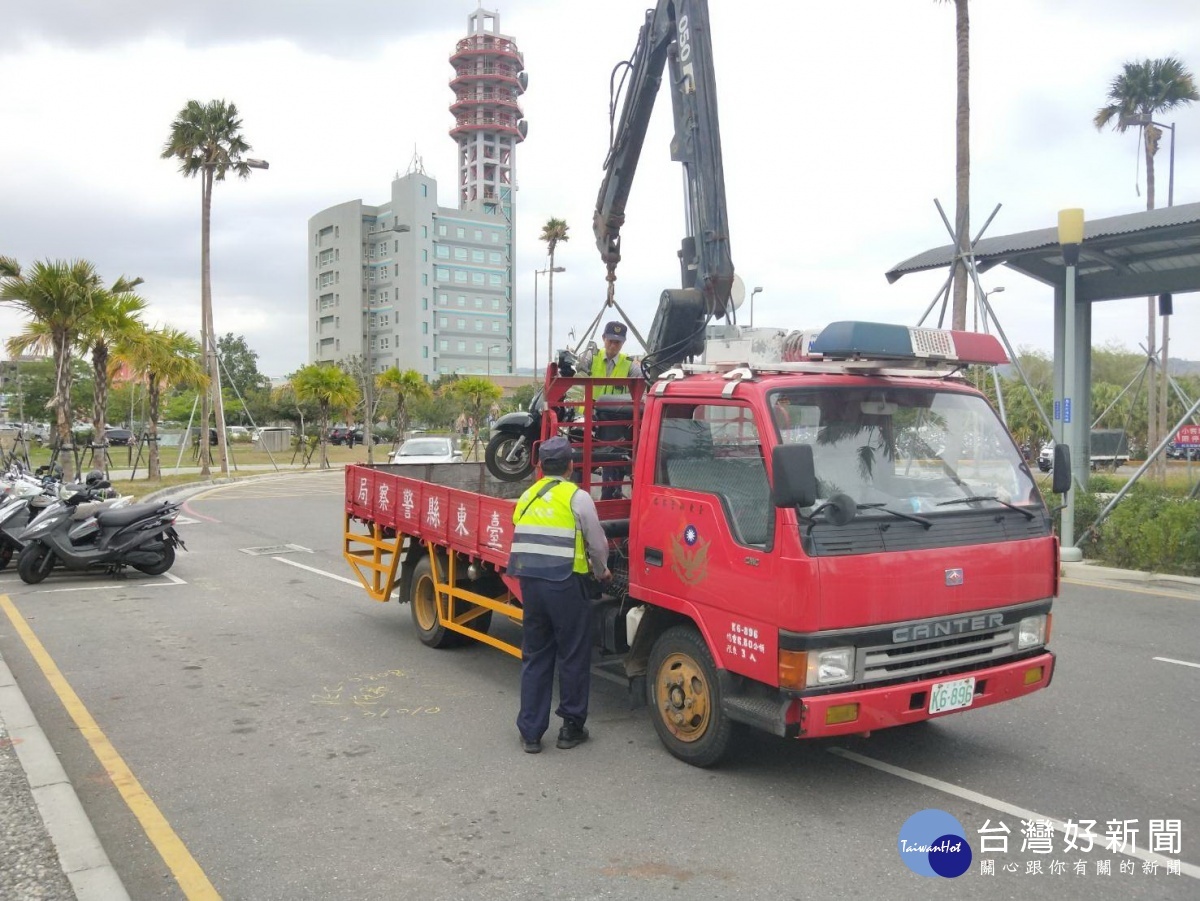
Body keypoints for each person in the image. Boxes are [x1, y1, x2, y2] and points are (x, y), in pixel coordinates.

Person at [509, 436, 611, 754]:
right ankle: (571, 728)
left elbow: (522, 528)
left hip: (530, 585)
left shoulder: (526, 497)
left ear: (539, 466)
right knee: (572, 655)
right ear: (570, 465)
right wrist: (602, 571)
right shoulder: (577, 498)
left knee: (536, 655)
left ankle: (530, 733)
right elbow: (597, 543)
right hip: (566, 584)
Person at [578, 321, 644, 499]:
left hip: (614, 420)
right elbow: (576, 381)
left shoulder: (629, 365)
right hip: (589, 417)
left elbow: (642, 385)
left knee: (611, 457)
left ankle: (610, 493)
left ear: (623, 343)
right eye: (610, 341)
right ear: (603, 339)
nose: (613, 345)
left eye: (618, 342)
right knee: (578, 457)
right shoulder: (591, 358)